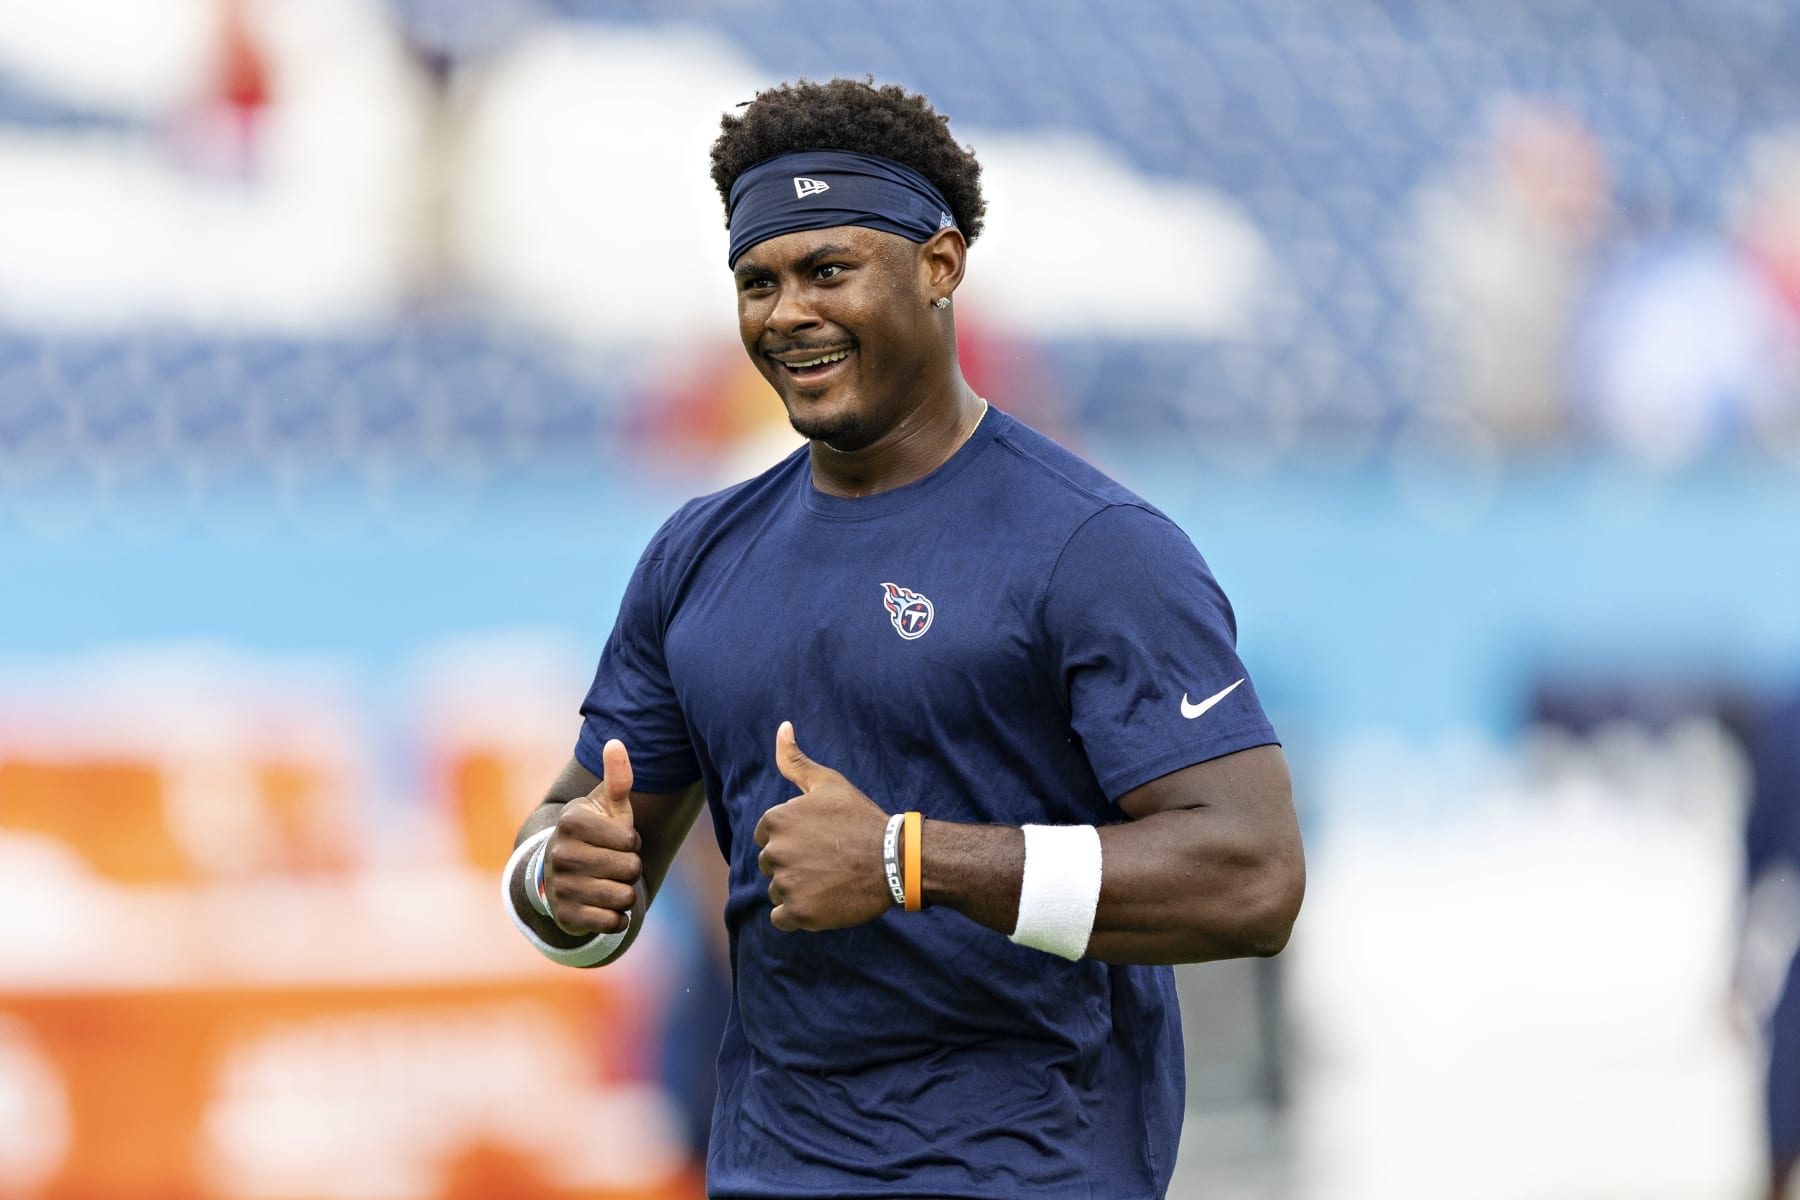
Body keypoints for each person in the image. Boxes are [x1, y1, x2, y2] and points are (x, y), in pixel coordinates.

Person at [502, 77, 1304, 1199]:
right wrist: (557, 881)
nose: (787, 313)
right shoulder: (694, 557)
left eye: (828, 270)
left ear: (940, 265)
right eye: (758, 282)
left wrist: (907, 861)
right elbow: (573, 854)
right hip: (770, 1170)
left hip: (1031, 1172)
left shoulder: (1096, 547)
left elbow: (1251, 876)